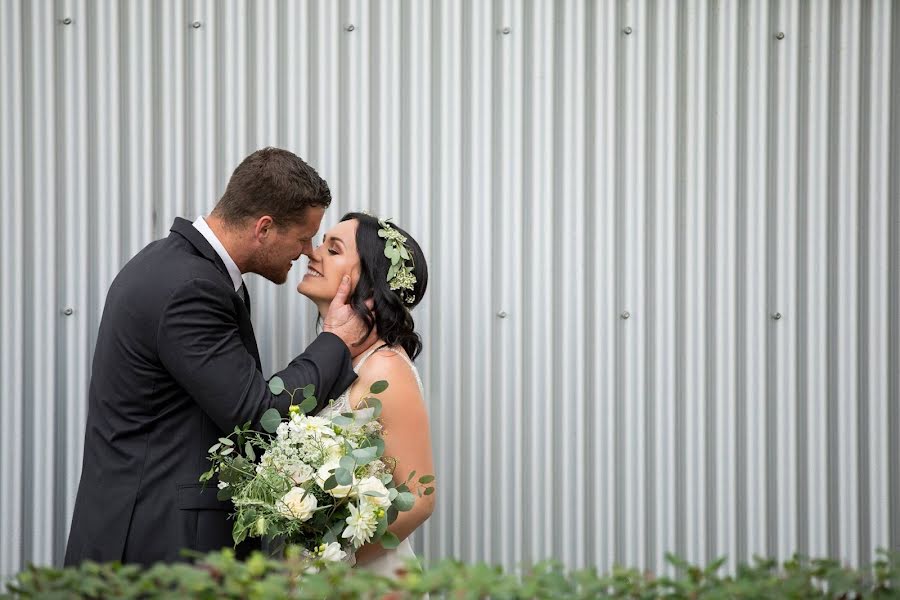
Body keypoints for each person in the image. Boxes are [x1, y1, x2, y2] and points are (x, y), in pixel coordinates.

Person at [64, 148, 365, 566]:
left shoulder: (176, 267)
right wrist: (335, 339)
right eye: (302, 237)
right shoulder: (189, 286)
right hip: (153, 548)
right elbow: (259, 414)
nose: (306, 252)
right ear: (264, 228)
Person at [298, 212, 436, 577]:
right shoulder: (343, 361)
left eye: (333, 249)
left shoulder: (385, 368)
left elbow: (419, 500)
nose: (312, 253)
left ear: (368, 283)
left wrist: (331, 563)